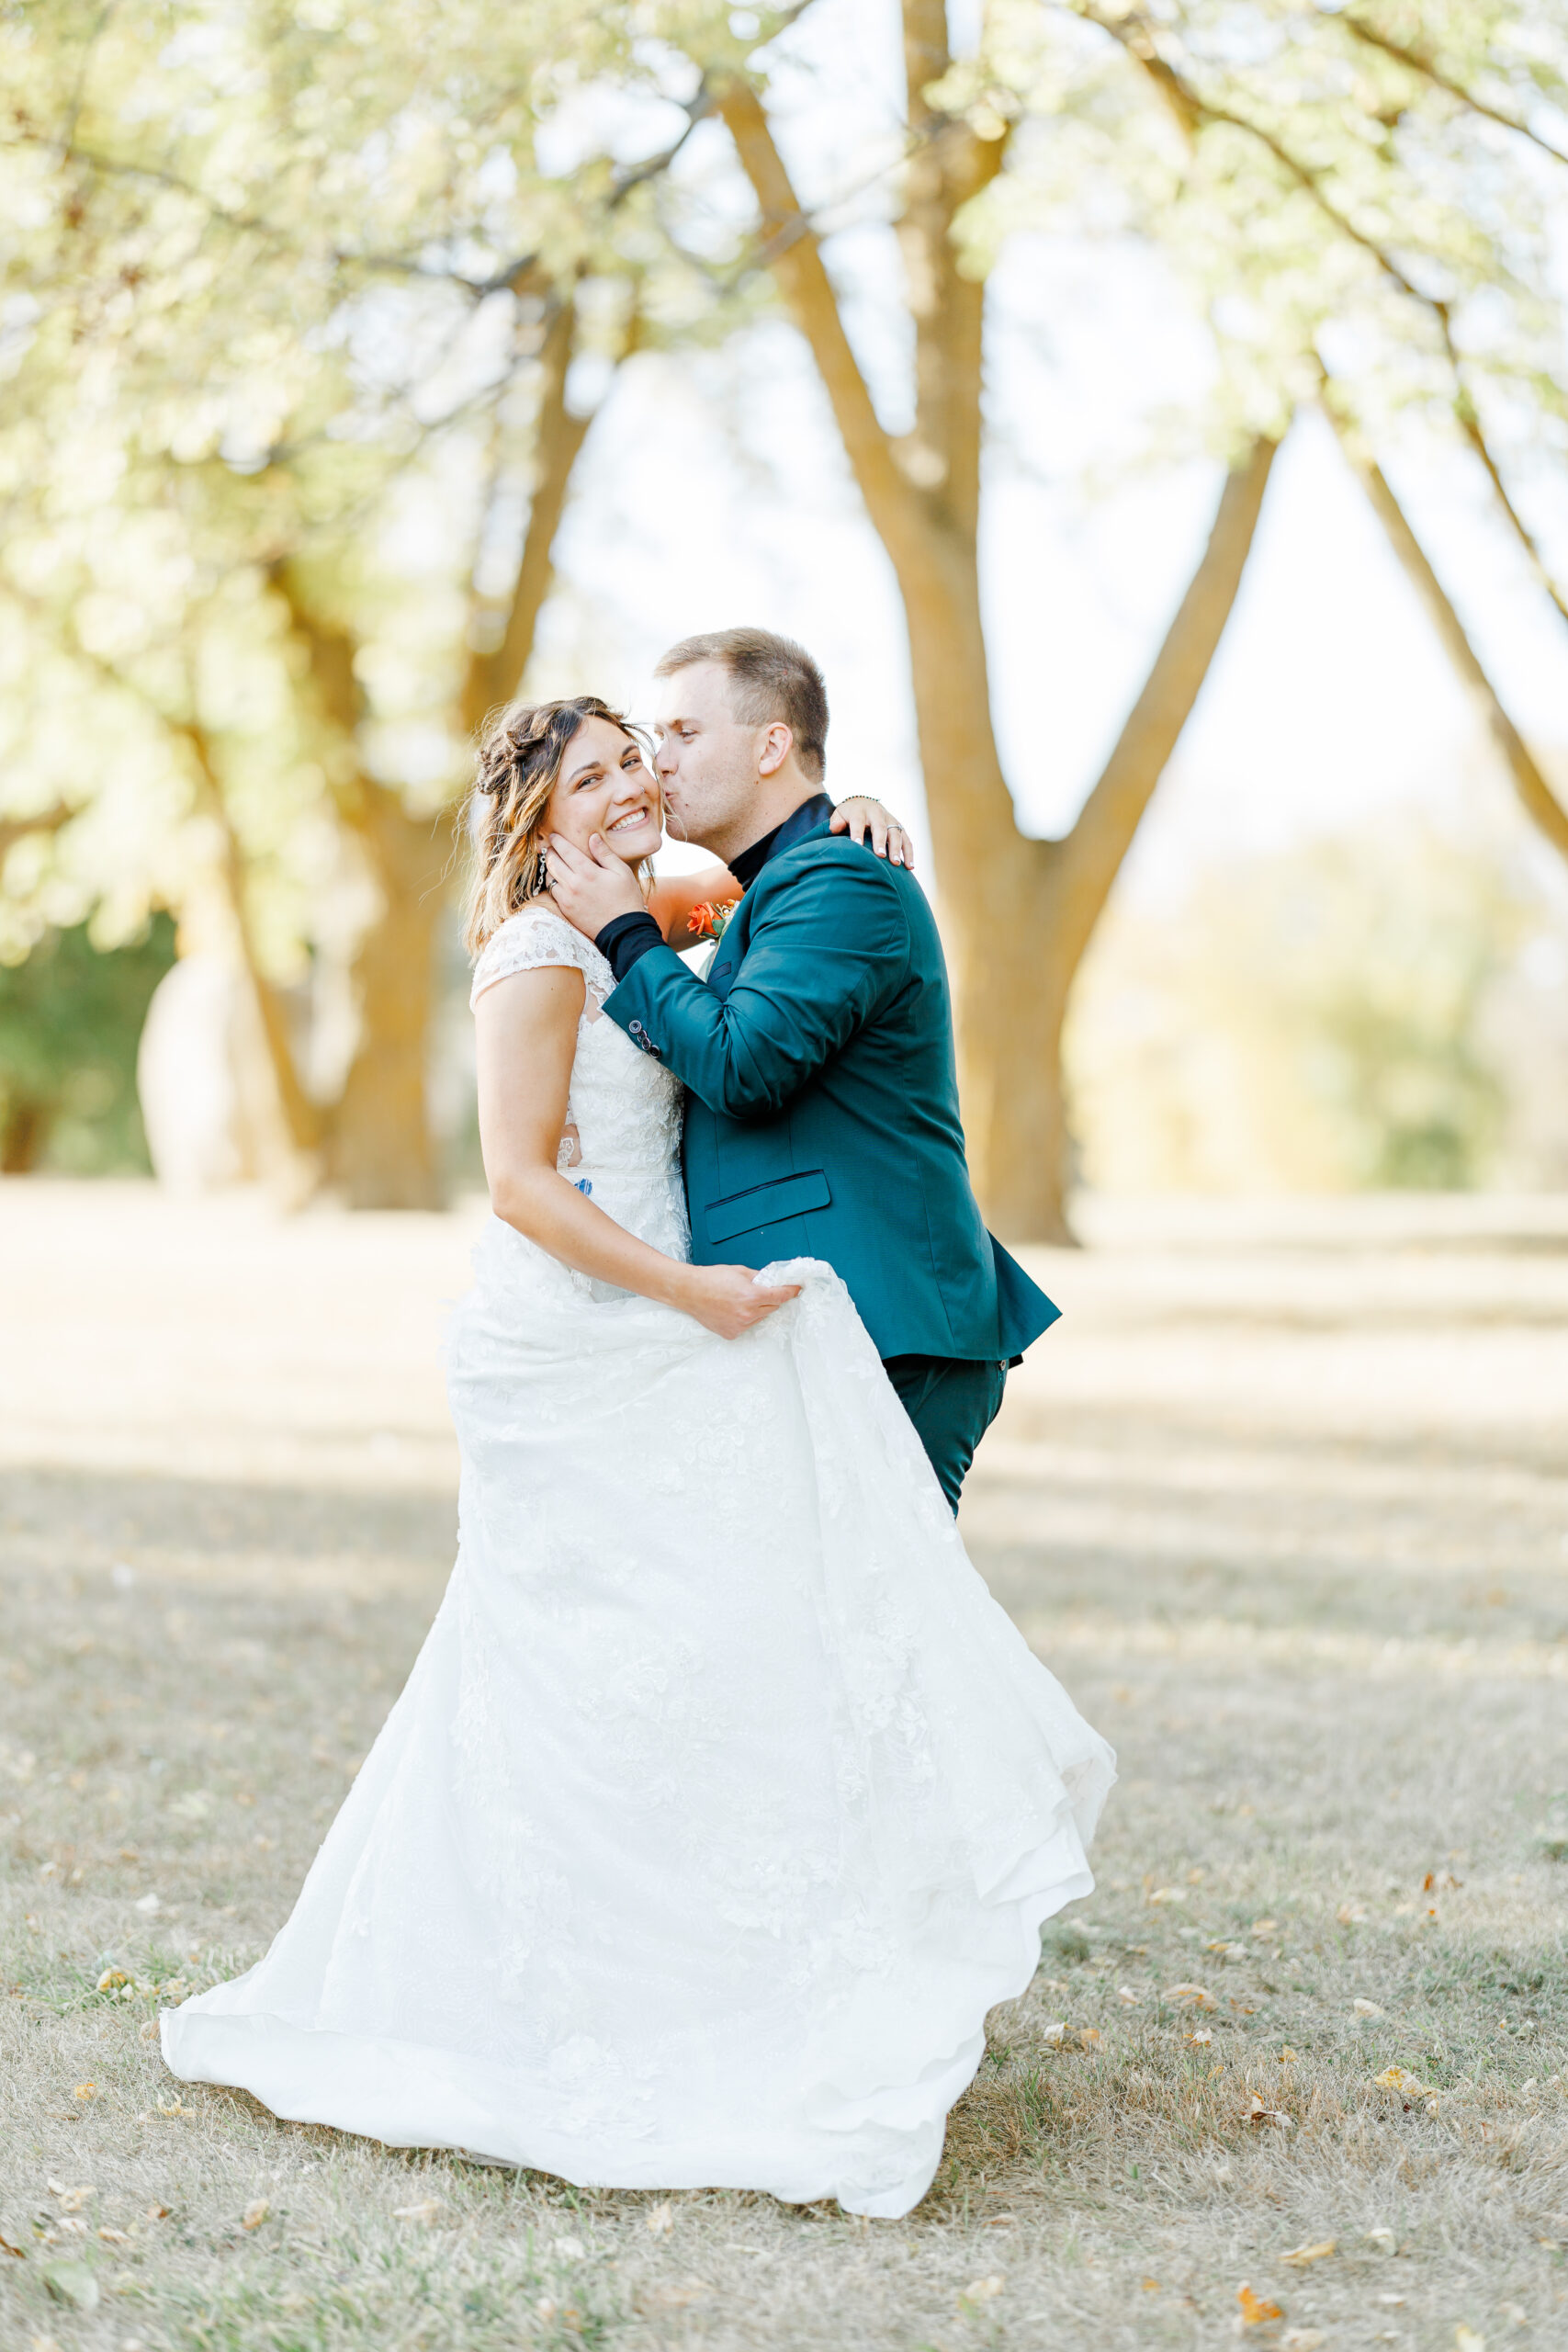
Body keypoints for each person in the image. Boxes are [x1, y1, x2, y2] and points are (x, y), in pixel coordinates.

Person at [161, 688, 1113, 2222]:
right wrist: (689, 1297)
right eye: (597, 773)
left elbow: (766, 919)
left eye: (639, 764)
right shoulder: (537, 954)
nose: (632, 788)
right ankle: (549, 2007)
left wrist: (862, 821)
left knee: (672, 1678)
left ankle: (693, 1984)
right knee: (570, 1679)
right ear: (536, 814)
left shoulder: (645, 913)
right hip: (588, 1336)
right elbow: (518, 1186)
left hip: (661, 1337)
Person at [545, 628, 1058, 1511]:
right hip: (814, 1323)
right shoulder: (780, 882)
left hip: (879, 1324)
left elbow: (744, 1066)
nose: (653, 765)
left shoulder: (840, 879)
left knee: (879, 1636)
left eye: (681, 734)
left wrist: (626, 932)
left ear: (772, 744)